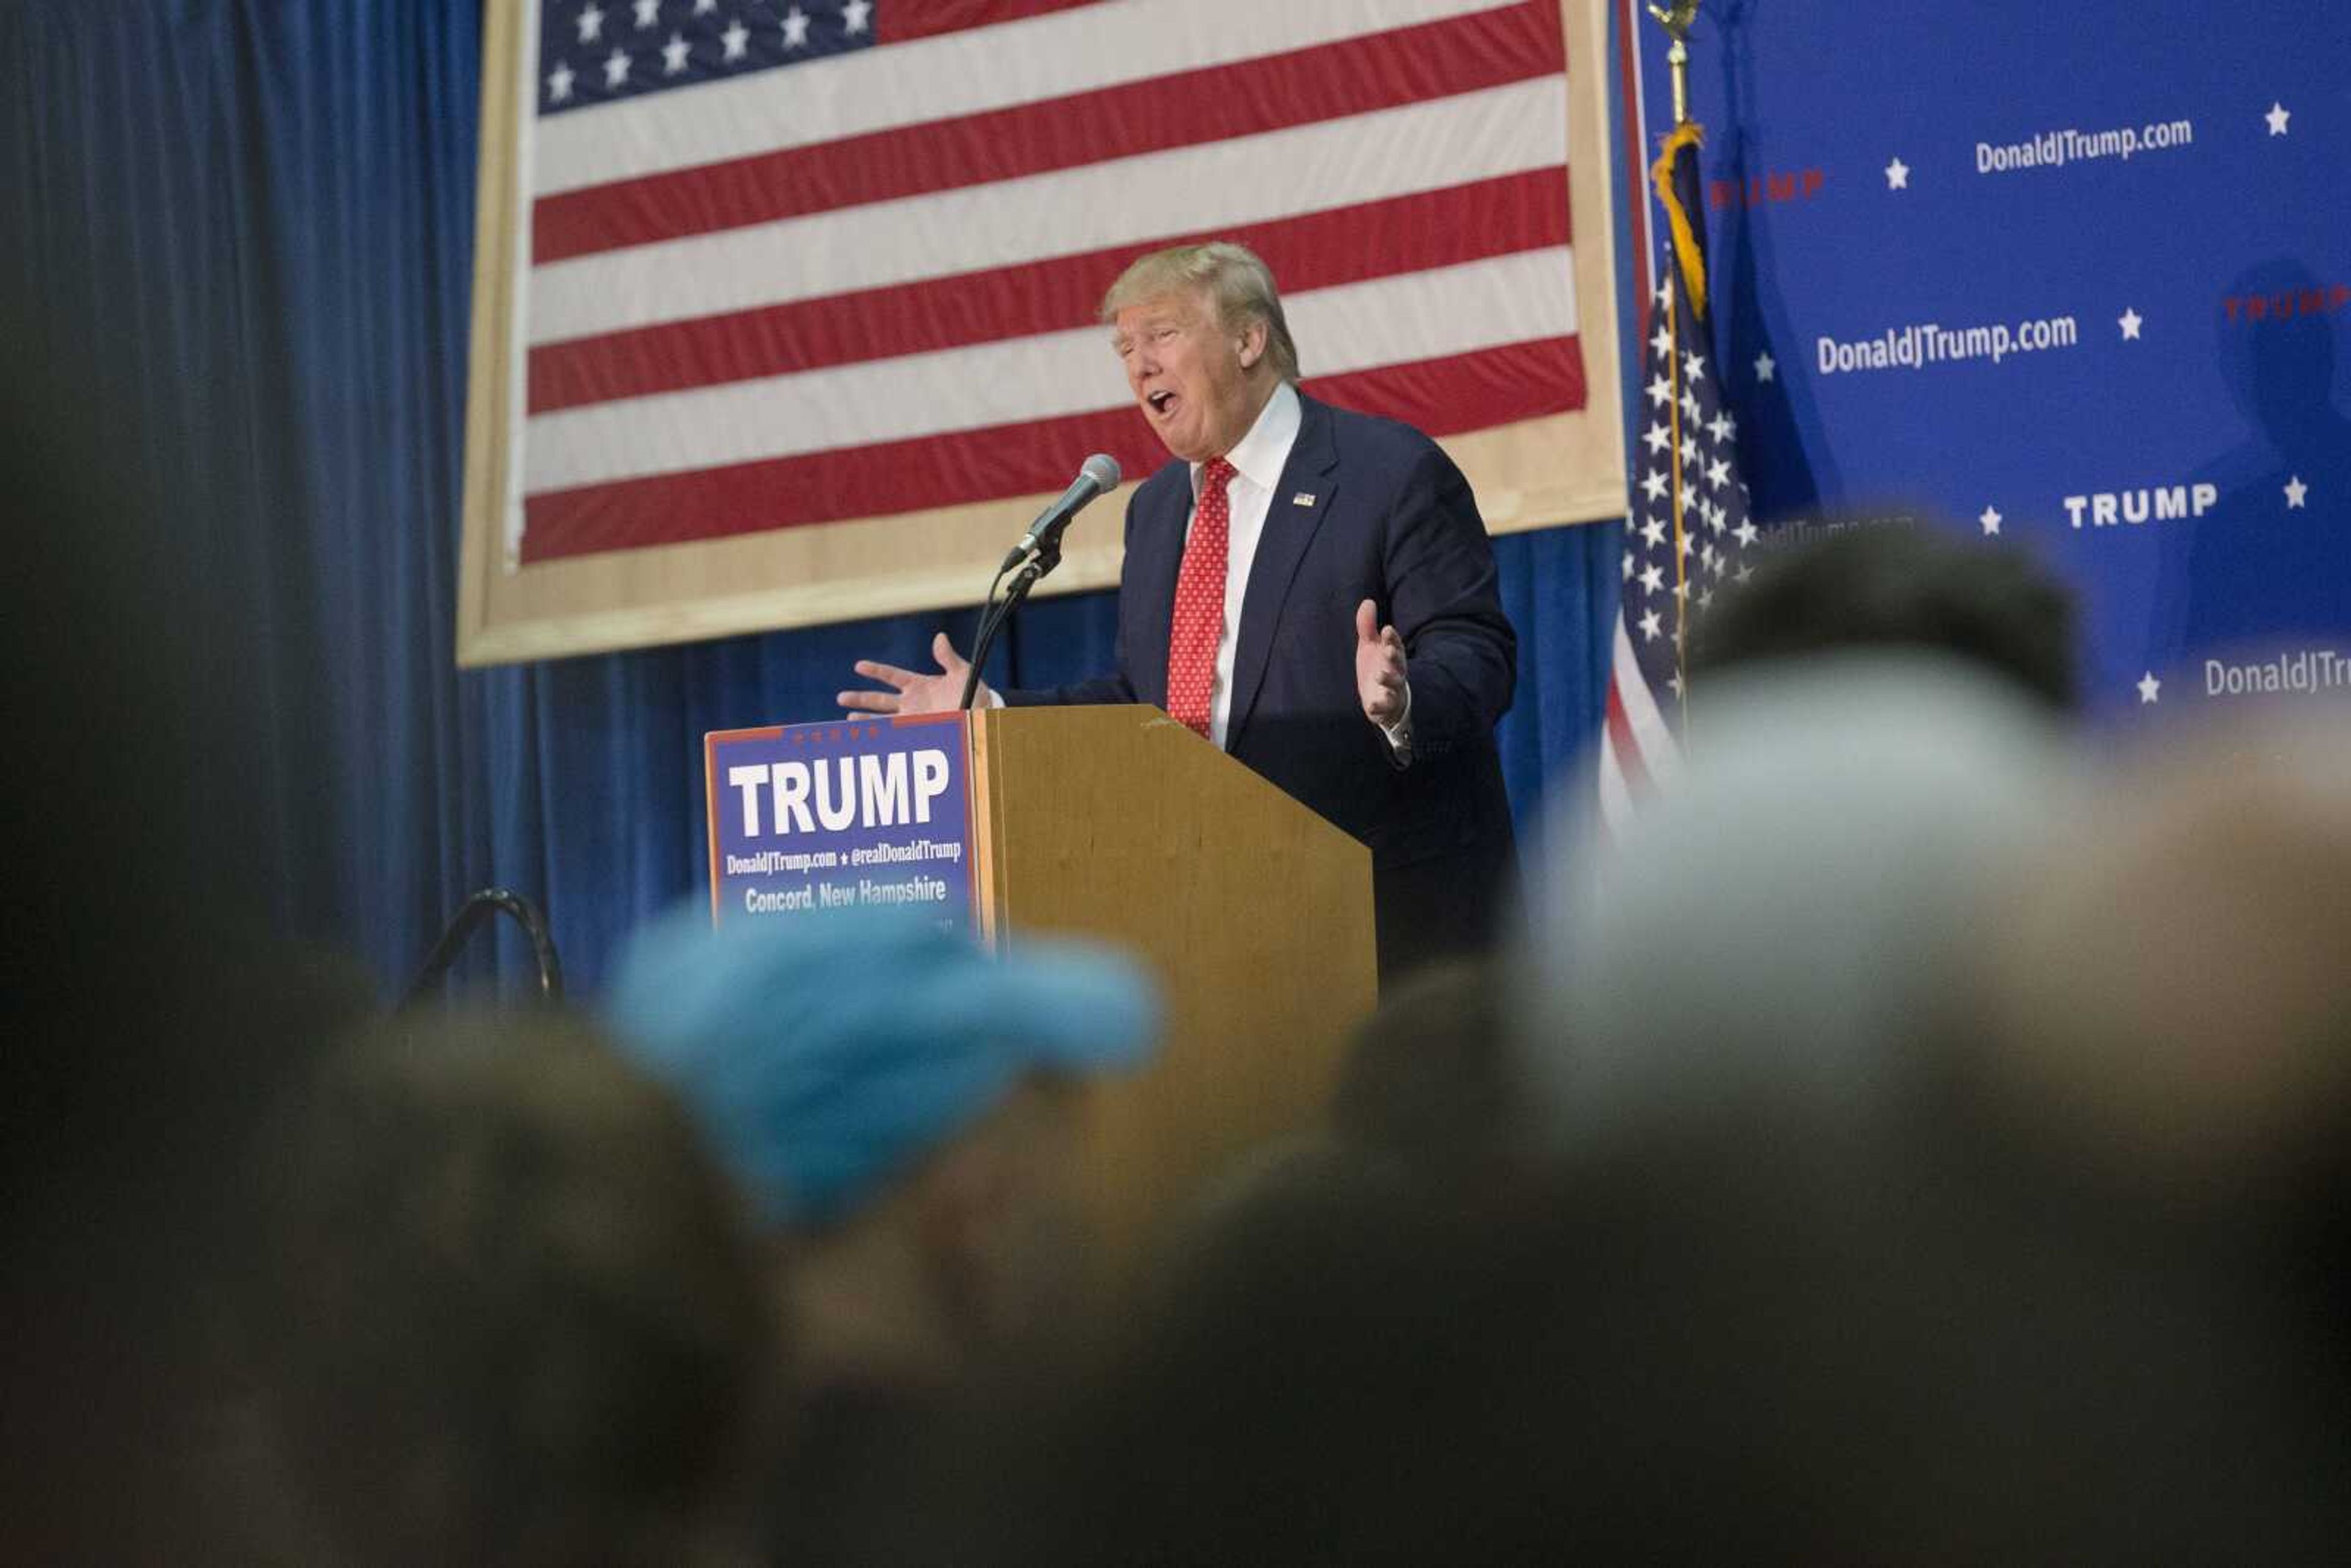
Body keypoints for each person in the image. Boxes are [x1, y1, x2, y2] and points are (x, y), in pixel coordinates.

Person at [841, 242, 1520, 981]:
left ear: (1249, 338)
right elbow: (1148, 706)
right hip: (1221, 928)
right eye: (1125, 347)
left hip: (1386, 923)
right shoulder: (1159, 509)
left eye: (1162, 334)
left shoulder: (1387, 471)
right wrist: (991, 709)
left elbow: (1475, 652)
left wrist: (1403, 698)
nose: (1139, 366)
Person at [601, 907, 1160, 1567]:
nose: (1083, 1217)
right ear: (974, 1201)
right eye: (1063, 1161)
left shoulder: (592, 1506)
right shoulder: (1072, 1521)